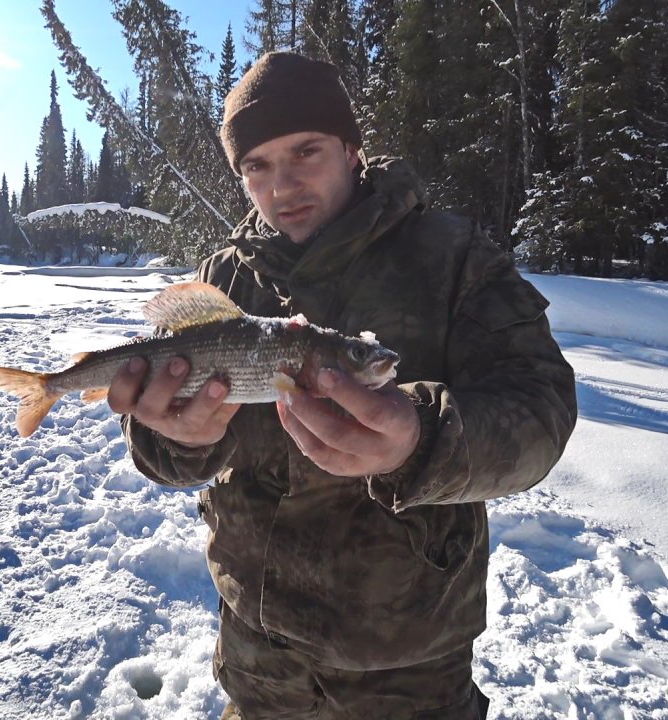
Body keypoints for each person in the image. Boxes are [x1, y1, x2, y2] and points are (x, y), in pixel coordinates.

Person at [107, 51, 577, 720]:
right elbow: (161, 443)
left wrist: (422, 439)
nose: (282, 187)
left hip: (407, 662)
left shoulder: (452, 259)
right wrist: (173, 438)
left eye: (306, 151)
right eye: (256, 167)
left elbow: (542, 410)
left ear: (354, 148)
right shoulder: (223, 277)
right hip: (256, 653)